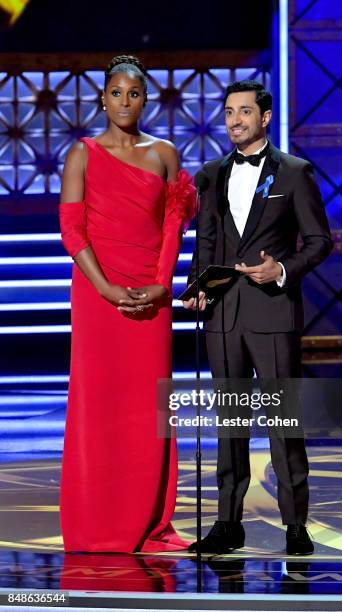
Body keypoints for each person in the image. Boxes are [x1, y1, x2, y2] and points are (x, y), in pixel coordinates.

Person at [183, 80, 332, 555]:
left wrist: (282, 269)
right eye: (228, 112)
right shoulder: (210, 174)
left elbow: (319, 241)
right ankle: (228, 523)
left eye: (244, 112)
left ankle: (295, 525)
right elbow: (205, 243)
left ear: (264, 118)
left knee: (283, 422)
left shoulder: (294, 172)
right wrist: (196, 288)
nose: (234, 120)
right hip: (223, 315)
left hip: (273, 312)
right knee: (230, 421)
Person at [59, 54, 194, 553]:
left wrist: (163, 284)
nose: (124, 101)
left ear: (145, 99)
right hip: (99, 297)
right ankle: (97, 522)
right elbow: (72, 230)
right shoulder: (83, 154)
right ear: (102, 98)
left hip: (151, 297)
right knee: (99, 404)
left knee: (146, 407)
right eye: (115, 93)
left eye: (133, 94)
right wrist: (105, 289)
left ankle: (148, 519)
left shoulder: (164, 154)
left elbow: (174, 227)